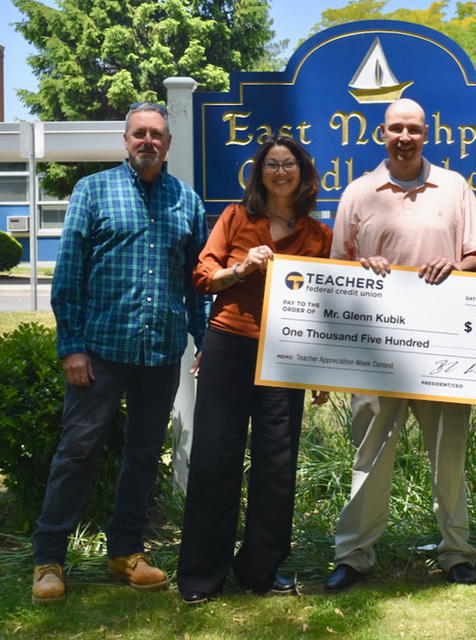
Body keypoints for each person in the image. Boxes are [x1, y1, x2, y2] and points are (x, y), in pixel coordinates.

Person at [31, 102, 209, 604]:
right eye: (139, 134)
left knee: (144, 454)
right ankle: (49, 558)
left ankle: (125, 552)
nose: (148, 142)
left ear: (168, 144)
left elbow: (195, 282)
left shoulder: (186, 201)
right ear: (125, 141)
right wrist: (72, 346)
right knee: (78, 452)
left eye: (157, 135)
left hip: (160, 351)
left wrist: (204, 338)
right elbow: (68, 275)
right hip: (100, 350)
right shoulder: (92, 191)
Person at [323, 98, 476, 591]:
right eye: (396, 128)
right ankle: (353, 555)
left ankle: (457, 553)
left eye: (413, 129)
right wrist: (363, 265)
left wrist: (455, 267)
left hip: (442, 349)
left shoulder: (454, 188)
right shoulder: (358, 193)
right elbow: (339, 266)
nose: (404, 137)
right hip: (376, 352)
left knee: (449, 454)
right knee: (369, 455)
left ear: (426, 135)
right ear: (382, 134)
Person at [177, 135, 332, 605]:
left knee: (278, 464)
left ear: (303, 175)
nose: (280, 171)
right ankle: (202, 575)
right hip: (229, 346)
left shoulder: (319, 236)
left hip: (287, 356)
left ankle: (261, 569)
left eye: (289, 164)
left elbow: (326, 307)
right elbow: (204, 277)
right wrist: (243, 267)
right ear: (259, 172)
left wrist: (321, 369)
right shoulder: (235, 217)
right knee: (215, 457)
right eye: (272, 164)